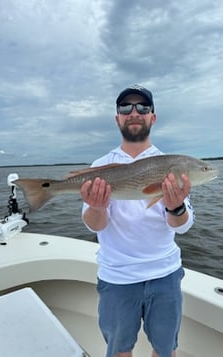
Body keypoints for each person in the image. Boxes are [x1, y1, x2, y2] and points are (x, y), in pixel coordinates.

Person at [81, 85, 194, 357]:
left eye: (143, 108)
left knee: (166, 350)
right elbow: (94, 225)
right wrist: (97, 207)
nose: (134, 113)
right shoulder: (101, 165)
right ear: (117, 118)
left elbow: (184, 225)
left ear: (152, 117)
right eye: (126, 108)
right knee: (119, 350)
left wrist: (175, 206)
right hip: (117, 276)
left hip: (165, 274)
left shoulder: (170, 163)